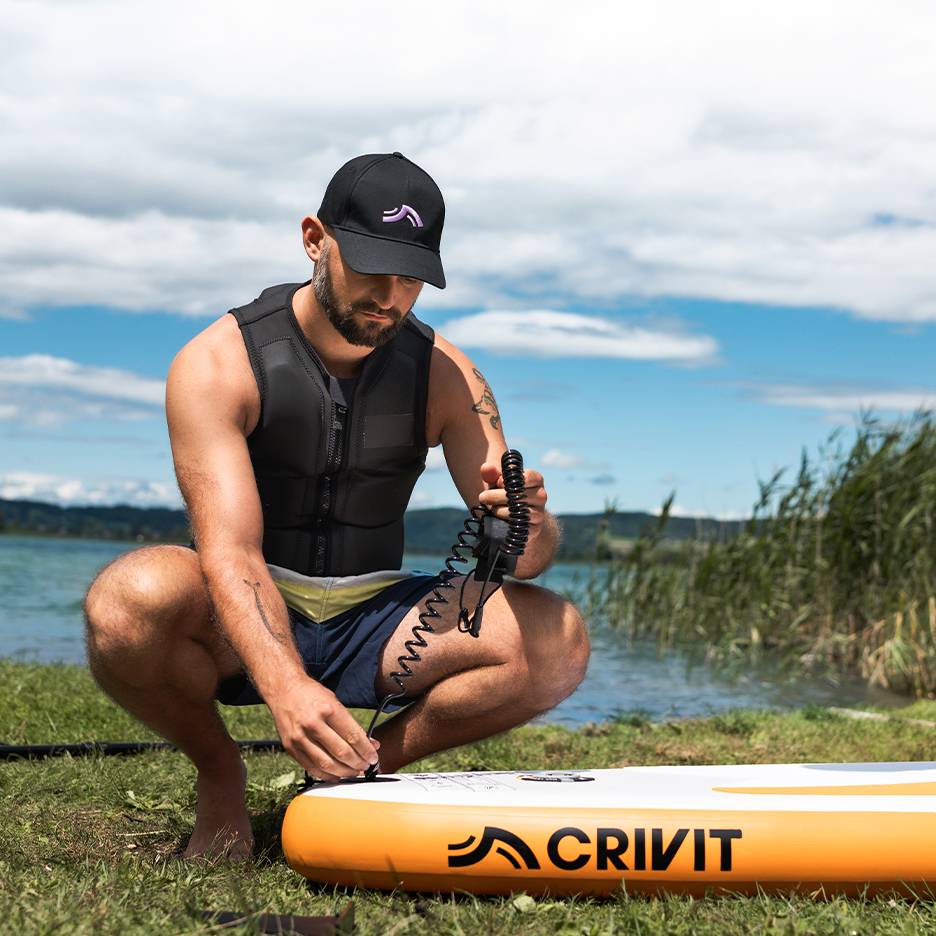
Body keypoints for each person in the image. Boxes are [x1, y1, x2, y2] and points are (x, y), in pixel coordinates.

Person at [83, 152, 590, 859]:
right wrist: (286, 685)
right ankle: (220, 773)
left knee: (556, 639)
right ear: (315, 240)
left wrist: (526, 519)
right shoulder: (218, 362)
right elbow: (229, 550)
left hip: (376, 614)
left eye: (410, 277)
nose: (390, 295)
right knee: (127, 599)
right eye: (371, 267)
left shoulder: (449, 373)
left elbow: (524, 561)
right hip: (247, 608)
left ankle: (351, 771)